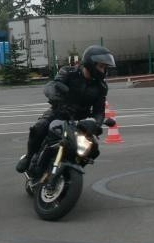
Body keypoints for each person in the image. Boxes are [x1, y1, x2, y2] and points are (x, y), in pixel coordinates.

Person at [16, 45, 116, 175]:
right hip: (59, 111)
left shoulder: (101, 86)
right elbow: (52, 85)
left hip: (80, 120)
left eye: (105, 67)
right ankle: (29, 157)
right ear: (91, 64)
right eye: (101, 67)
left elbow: (99, 111)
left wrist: (96, 124)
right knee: (39, 127)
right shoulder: (69, 72)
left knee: (93, 149)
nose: (104, 71)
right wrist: (56, 98)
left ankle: (73, 167)